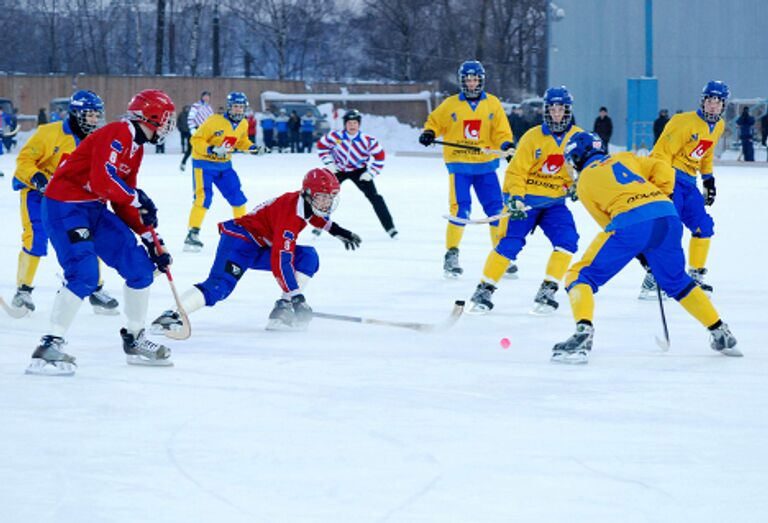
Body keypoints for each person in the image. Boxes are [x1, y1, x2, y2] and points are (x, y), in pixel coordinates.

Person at [551, 131, 741, 364]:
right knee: (677, 281)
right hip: (667, 215)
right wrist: (662, 195)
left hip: (631, 223)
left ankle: (582, 334)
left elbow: (608, 224)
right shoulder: (625, 158)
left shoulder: (584, 183)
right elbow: (663, 169)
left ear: (578, 157)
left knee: (578, 276)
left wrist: (639, 252)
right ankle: (720, 331)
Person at [25, 89, 178, 376]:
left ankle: (134, 339)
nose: (168, 126)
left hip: (93, 209)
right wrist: (136, 198)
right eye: (166, 119)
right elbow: (103, 179)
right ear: (152, 117)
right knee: (84, 274)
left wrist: (149, 238)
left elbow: (123, 196)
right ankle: (49, 345)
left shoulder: (136, 147)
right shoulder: (118, 132)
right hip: (64, 207)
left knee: (140, 269)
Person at [151, 168, 362, 333]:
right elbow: (281, 261)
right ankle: (172, 316)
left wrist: (337, 230)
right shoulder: (290, 217)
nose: (327, 203)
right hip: (239, 241)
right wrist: (298, 297)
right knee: (219, 287)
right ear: (307, 193)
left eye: (330, 197)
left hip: (260, 244)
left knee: (308, 257)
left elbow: (314, 216)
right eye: (322, 197)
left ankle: (282, 311)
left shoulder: (303, 204)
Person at [468, 86, 582, 315]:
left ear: (568, 110)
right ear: (546, 110)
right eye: (553, 108)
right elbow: (516, 172)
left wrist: (580, 185)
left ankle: (547, 290)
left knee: (568, 240)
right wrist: (515, 198)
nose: (557, 113)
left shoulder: (579, 138)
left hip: (555, 205)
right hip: (527, 201)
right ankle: (484, 289)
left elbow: (588, 169)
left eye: (562, 109)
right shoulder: (532, 137)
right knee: (509, 243)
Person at [8, 90, 121, 317]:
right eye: (90, 115)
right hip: (36, 193)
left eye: (97, 115)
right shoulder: (49, 133)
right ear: (77, 113)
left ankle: (95, 288)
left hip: (68, 197)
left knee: (86, 236)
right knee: (36, 236)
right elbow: (24, 160)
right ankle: (23, 290)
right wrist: (37, 177)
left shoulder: (95, 141)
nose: (94, 120)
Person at [418, 60, 515, 279]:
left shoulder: (492, 103)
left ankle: (500, 255)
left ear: (481, 81)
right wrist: (429, 133)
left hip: (485, 167)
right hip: (460, 165)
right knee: (460, 209)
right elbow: (435, 121)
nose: (472, 84)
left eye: (475, 80)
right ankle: (451, 254)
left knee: (496, 209)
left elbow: (501, 132)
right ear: (463, 82)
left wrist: (506, 146)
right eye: (468, 80)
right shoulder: (451, 104)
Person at [641, 81, 729, 300]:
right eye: (709, 100)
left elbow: (706, 154)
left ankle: (696, 275)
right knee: (669, 229)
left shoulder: (718, 126)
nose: (712, 106)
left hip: (690, 183)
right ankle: (653, 278)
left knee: (704, 226)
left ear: (723, 105)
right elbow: (661, 153)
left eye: (717, 102)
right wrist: (664, 184)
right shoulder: (683, 122)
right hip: (671, 177)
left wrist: (708, 179)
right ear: (703, 101)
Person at [184, 91, 267, 252]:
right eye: (235, 106)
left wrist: (253, 148)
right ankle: (192, 234)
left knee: (238, 197)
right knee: (204, 197)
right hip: (204, 164)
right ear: (229, 107)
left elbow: (242, 142)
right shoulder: (214, 121)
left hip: (225, 166)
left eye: (241, 107)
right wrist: (212, 149)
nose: (238, 110)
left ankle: (241, 232)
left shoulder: (243, 123)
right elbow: (196, 140)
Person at [317, 109, 398, 238]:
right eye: (349, 123)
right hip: (339, 170)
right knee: (326, 196)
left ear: (359, 124)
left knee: (375, 198)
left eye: (355, 123)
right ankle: (320, 224)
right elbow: (322, 147)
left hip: (360, 172)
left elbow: (380, 157)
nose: (352, 125)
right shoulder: (335, 137)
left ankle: (390, 228)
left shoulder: (368, 140)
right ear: (345, 124)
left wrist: (371, 173)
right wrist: (329, 164)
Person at [181, 90, 213, 171]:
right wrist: (192, 129)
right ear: (202, 97)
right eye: (205, 96)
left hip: (206, 132)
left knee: (206, 148)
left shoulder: (209, 107)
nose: (206, 98)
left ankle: (205, 164)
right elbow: (190, 118)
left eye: (208, 96)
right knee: (190, 148)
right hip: (196, 130)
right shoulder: (196, 105)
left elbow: (212, 120)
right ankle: (183, 163)